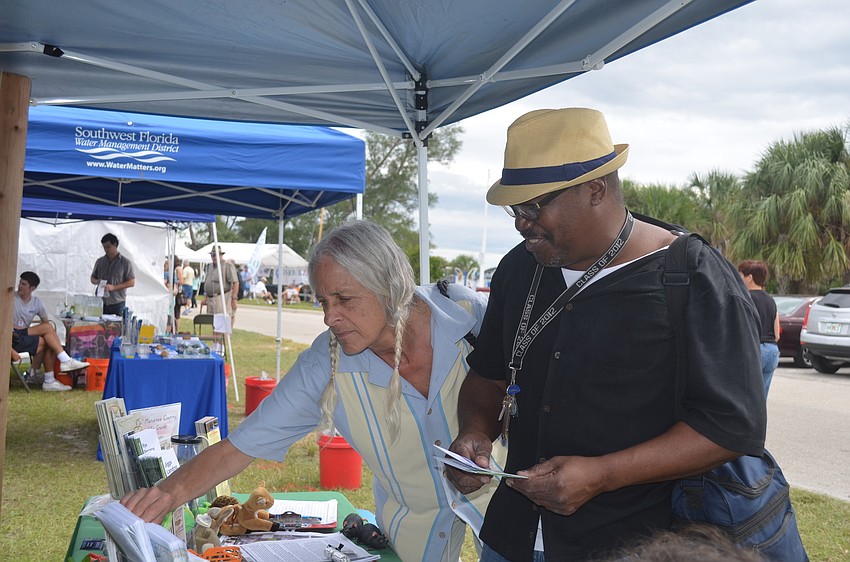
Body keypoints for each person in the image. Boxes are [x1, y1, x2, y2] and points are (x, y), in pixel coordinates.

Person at [445, 108, 766, 562]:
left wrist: (602, 474)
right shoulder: (519, 268)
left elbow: (732, 426)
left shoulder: (690, 275)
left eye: (534, 206)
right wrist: (475, 432)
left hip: (631, 545)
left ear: (595, 189)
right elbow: (490, 376)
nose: (521, 223)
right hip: (509, 537)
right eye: (514, 209)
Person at [121, 221, 503, 562]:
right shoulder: (328, 361)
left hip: (509, 509)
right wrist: (167, 495)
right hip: (411, 533)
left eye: (344, 299)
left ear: (389, 285)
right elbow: (240, 446)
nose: (328, 317)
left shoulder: (472, 318)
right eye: (323, 301)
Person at [12, 271, 90, 391]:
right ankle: (61, 365)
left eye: (23, 284)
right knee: (48, 331)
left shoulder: (36, 302)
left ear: (32, 288)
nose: (19, 286)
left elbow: (45, 320)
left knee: (49, 337)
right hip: (12, 335)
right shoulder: (11, 298)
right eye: (20, 283)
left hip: (23, 335)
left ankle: (47, 378)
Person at [738, 260, 780, 396]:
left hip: (754, 349)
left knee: (745, 397)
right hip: (772, 351)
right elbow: (777, 334)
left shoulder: (745, 298)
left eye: (740, 276)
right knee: (761, 398)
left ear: (749, 277)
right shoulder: (771, 300)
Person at [90, 233, 135, 316]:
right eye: (104, 247)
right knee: (99, 328)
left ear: (115, 245)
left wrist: (114, 287)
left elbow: (131, 282)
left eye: (108, 247)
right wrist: (97, 281)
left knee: (116, 328)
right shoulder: (100, 261)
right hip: (100, 302)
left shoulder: (125, 263)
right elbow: (92, 278)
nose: (106, 249)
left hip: (117, 303)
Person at [203, 248, 239, 337]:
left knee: (221, 322)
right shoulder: (210, 266)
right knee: (214, 322)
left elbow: (235, 282)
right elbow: (208, 281)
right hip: (210, 297)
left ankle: (221, 345)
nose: (214, 257)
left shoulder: (227, 265)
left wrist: (234, 299)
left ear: (221, 255)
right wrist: (206, 297)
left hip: (221, 297)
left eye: (216, 255)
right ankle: (216, 343)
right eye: (212, 255)